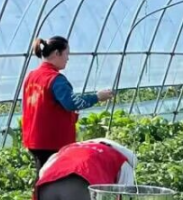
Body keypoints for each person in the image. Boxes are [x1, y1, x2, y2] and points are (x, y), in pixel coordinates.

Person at [22, 36, 114, 170]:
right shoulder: (55, 79)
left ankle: (38, 191)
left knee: (42, 174)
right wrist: (97, 97)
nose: (68, 58)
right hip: (51, 140)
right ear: (56, 53)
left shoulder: (31, 76)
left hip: (33, 138)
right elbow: (72, 103)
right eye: (66, 54)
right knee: (53, 176)